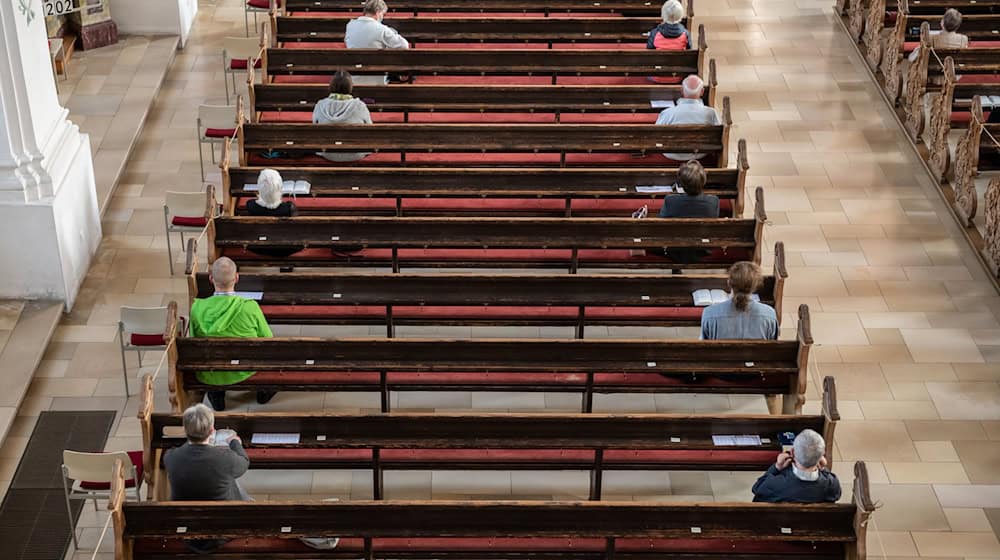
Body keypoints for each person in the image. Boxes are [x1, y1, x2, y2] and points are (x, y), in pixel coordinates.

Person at [190, 257, 276, 411]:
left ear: (211, 279)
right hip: (244, 368)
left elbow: (194, 340)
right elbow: (268, 339)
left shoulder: (197, 308)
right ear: (236, 278)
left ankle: (216, 393)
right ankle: (263, 392)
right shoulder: (250, 307)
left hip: (212, 371)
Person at [163, 404, 249, 553]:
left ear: (185, 430)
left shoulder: (171, 457)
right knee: (232, 483)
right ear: (211, 431)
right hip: (221, 530)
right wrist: (235, 442)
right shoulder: (224, 458)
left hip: (185, 528)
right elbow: (244, 463)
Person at [751, 429, 842, 503]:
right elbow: (836, 495)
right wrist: (823, 469)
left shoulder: (776, 483)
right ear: (821, 456)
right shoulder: (832, 485)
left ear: (792, 452)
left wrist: (776, 467)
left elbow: (757, 488)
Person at [700, 261, 779, 340]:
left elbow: (703, 347)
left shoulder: (709, 313)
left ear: (729, 282)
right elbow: (774, 346)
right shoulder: (770, 314)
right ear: (756, 285)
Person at [655, 74, 720, 161]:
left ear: (682, 91)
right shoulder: (711, 113)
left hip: (671, 153)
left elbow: (656, 135)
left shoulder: (667, 113)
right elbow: (718, 136)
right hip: (699, 154)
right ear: (702, 92)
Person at [312, 70, 374, 163]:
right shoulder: (359, 105)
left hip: (327, 153)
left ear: (331, 85)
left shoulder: (321, 104)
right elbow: (370, 129)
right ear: (350, 86)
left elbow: (315, 125)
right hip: (356, 153)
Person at [345, 0, 410, 84]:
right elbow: (404, 45)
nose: (382, 17)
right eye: (382, 14)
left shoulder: (350, 25)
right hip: (377, 77)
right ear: (378, 12)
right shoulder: (381, 29)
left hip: (354, 74)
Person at [246, 169, 303, 258]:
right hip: (286, 249)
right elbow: (297, 231)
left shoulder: (251, 206)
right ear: (280, 188)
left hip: (258, 247)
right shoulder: (288, 208)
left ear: (259, 188)